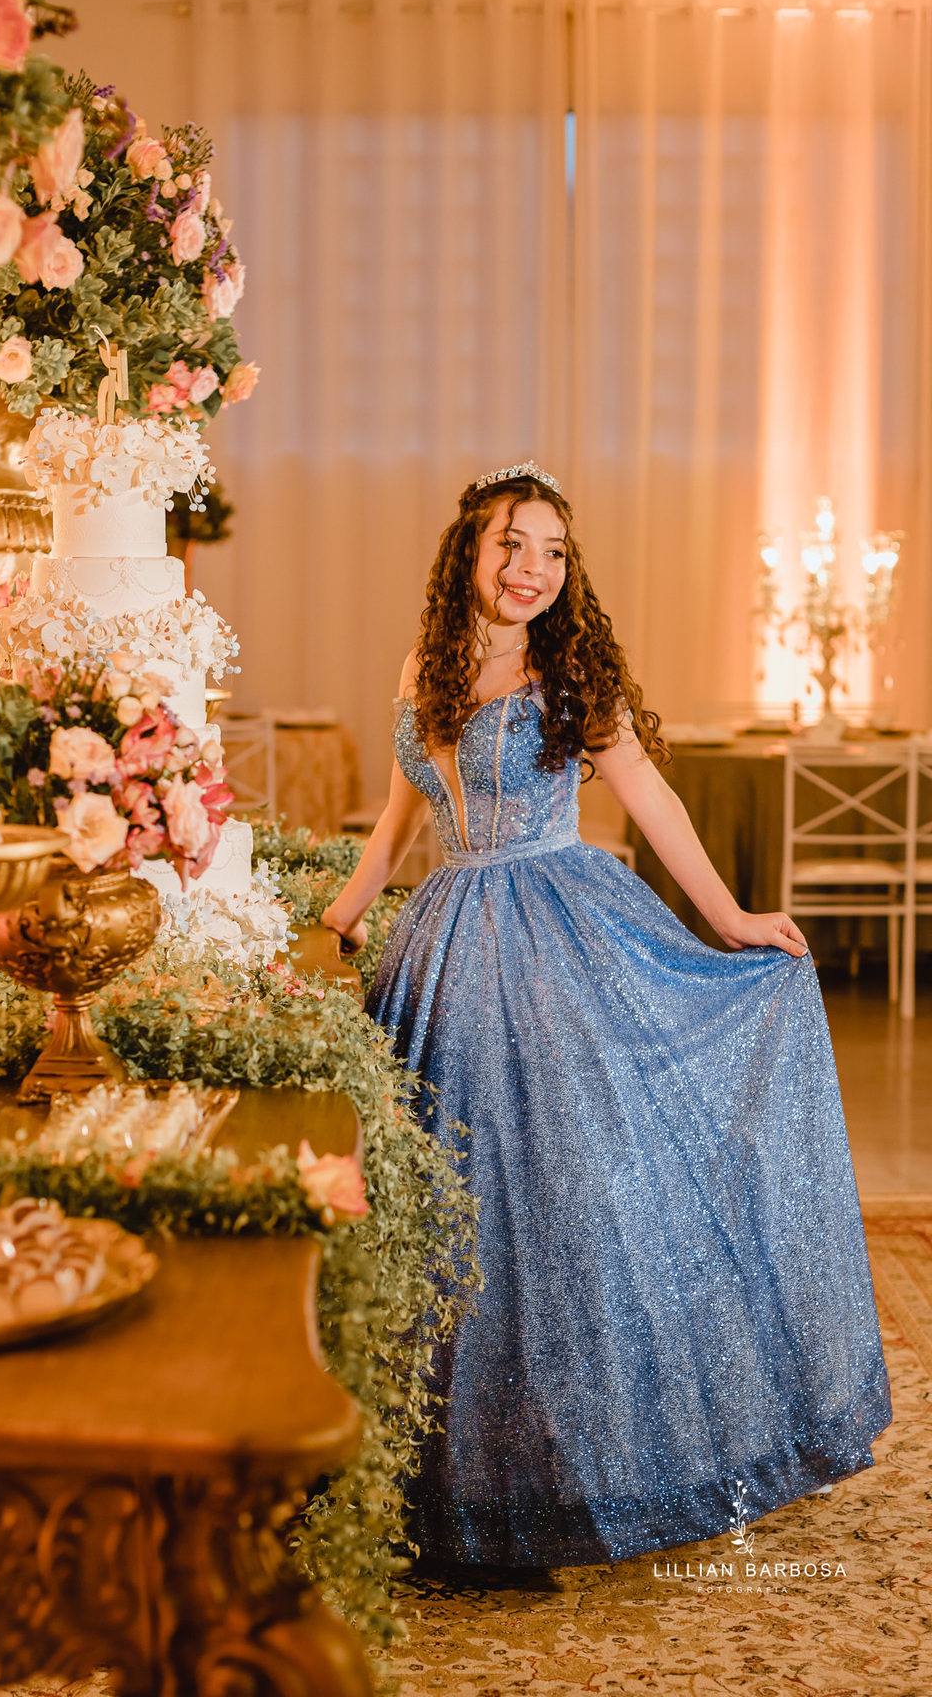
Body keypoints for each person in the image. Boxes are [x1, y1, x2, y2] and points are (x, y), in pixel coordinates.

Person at [321, 462, 891, 1569]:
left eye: (554, 552)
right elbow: (398, 828)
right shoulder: (421, 668)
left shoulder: (567, 671)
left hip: (556, 927)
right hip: (446, 937)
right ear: (467, 555)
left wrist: (729, 916)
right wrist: (335, 921)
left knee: (569, 1190)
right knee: (450, 1196)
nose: (533, 569)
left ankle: (599, 1453)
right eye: (512, 545)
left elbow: (655, 801)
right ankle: (462, 1456)